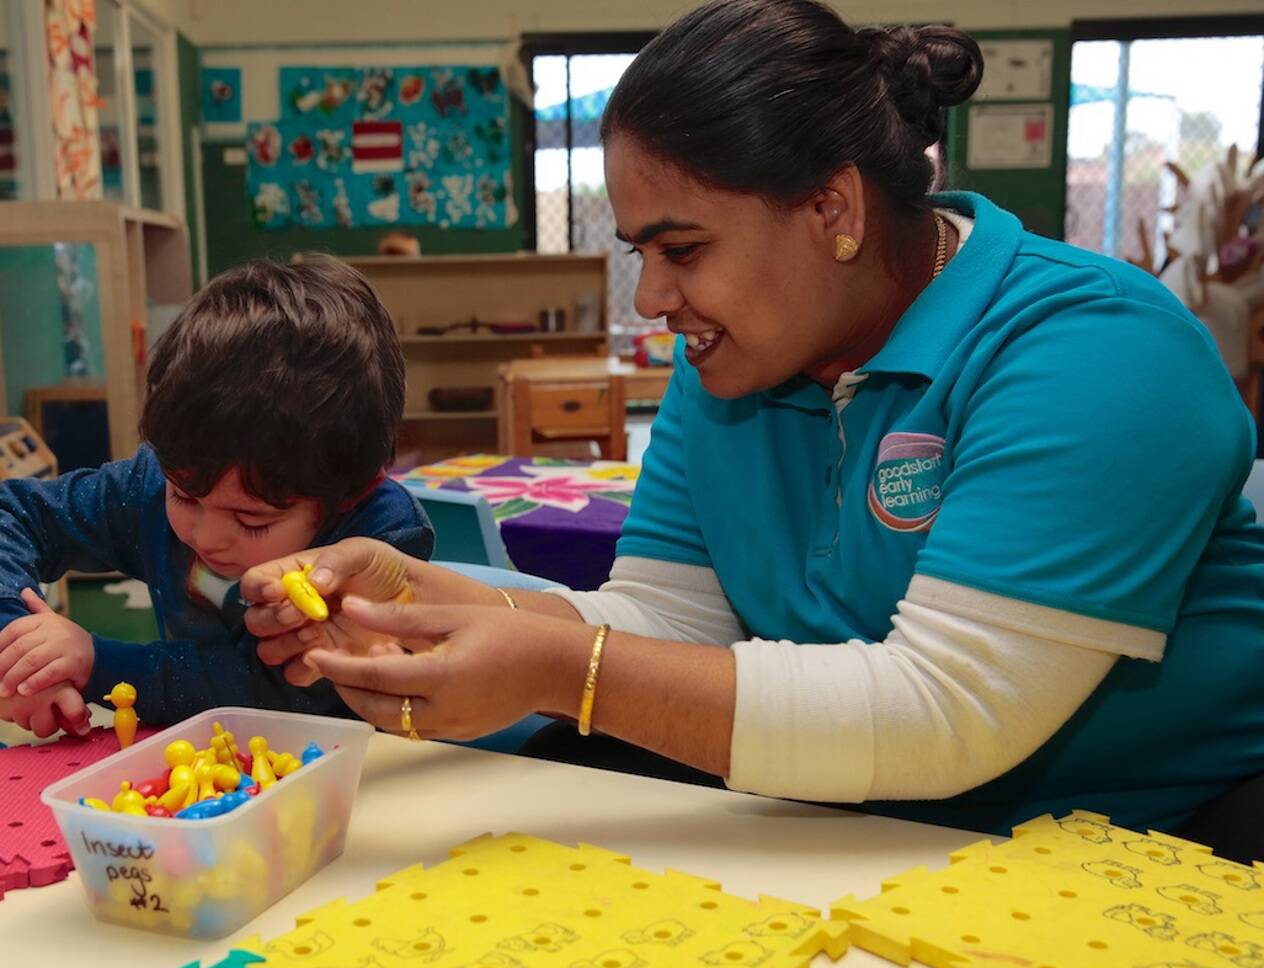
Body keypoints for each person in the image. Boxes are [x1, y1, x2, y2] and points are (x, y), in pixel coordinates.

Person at [239, 0, 1264, 858]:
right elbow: (670, 621)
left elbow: (947, 710)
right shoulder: (732, 357)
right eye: (640, 251)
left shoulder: (1092, 349)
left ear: (834, 211)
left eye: (680, 248)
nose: (650, 299)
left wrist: (556, 669)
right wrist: (423, 596)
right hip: (864, 821)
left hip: (1159, 849)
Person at [0, 255, 433, 738]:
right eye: (184, 497)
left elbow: (281, 692)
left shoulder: (381, 538)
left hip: (356, 775)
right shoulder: (153, 485)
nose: (205, 536)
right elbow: (8, 517)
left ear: (348, 493)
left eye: (251, 521)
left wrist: (96, 664)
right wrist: (11, 654)